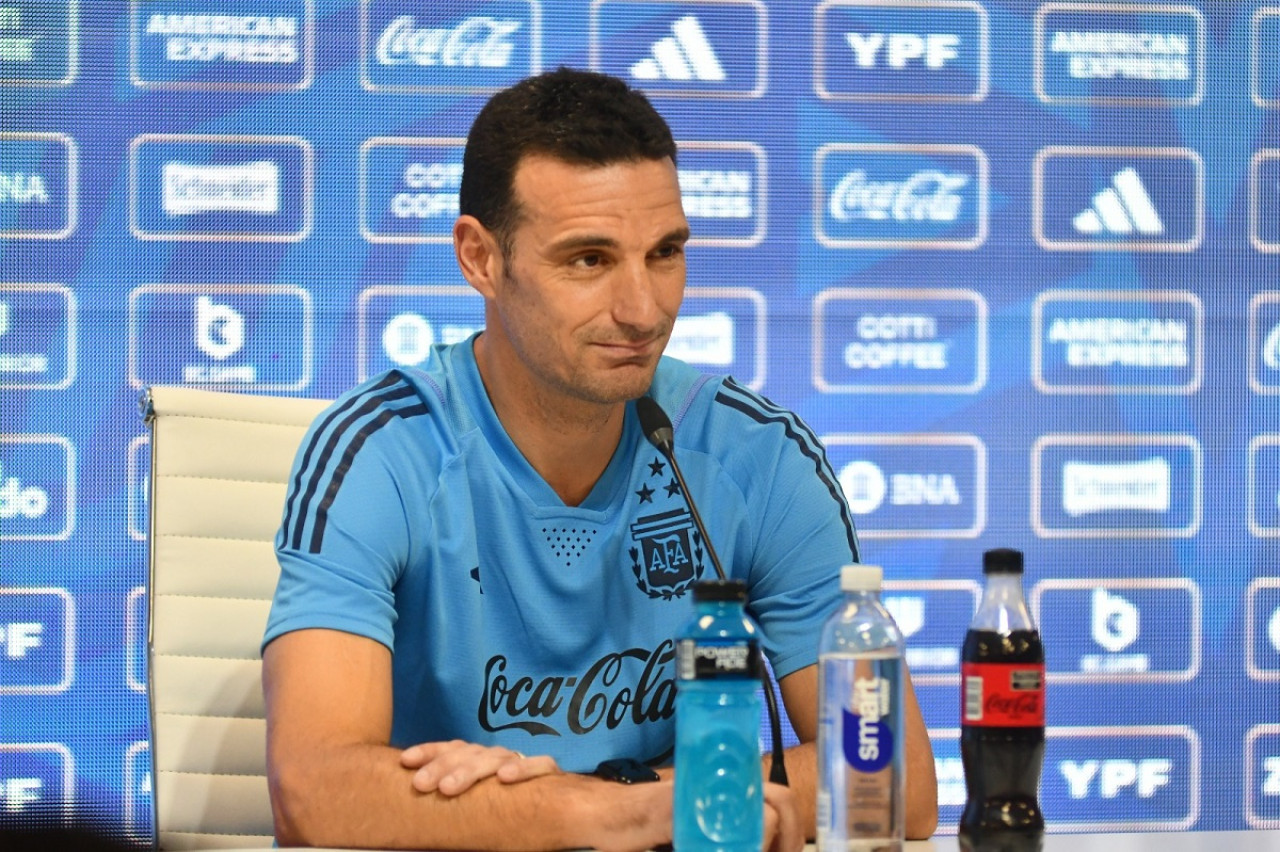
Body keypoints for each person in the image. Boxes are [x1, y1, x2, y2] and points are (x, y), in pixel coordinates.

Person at [261, 67, 938, 851]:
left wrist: (622, 794)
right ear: (481, 258)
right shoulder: (379, 449)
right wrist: (613, 814)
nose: (643, 310)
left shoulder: (756, 454)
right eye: (588, 259)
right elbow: (313, 791)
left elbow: (895, 782)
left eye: (665, 252)